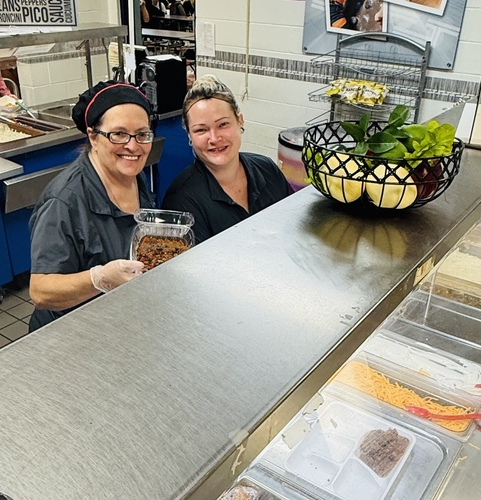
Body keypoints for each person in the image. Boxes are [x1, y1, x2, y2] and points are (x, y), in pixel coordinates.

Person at [28, 81, 154, 331]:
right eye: (118, 134)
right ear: (93, 137)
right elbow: (40, 291)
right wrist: (99, 279)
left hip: (115, 321)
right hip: (69, 332)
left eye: (142, 134)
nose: (132, 145)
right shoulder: (64, 200)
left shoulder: (134, 177)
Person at [162, 75, 292, 243]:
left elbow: (292, 227)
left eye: (223, 124)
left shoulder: (266, 169)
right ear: (189, 134)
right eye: (201, 130)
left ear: (240, 121)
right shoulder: (181, 201)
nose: (214, 138)